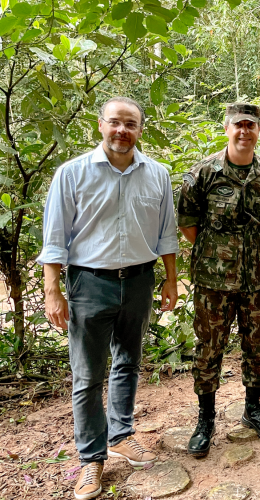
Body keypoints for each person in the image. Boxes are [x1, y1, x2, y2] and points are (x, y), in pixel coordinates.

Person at [39, 97, 179, 500]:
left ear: (140, 129)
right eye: (115, 122)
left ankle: (121, 434)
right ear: (101, 125)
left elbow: (165, 234)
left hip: (139, 280)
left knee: (129, 362)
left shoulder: (158, 174)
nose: (122, 130)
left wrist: (170, 280)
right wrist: (53, 291)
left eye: (130, 124)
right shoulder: (72, 174)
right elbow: (55, 240)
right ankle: (91, 459)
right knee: (87, 376)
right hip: (89, 283)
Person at [177, 103, 260, 456]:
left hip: (257, 281)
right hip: (213, 282)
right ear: (226, 129)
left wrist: (245, 253)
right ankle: (205, 419)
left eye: (250, 126)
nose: (244, 131)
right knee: (209, 349)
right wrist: (221, 254)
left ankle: (253, 410)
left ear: (258, 131)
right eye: (238, 125)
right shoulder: (203, 174)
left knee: (257, 346)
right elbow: (189, 225)